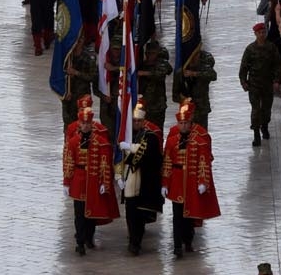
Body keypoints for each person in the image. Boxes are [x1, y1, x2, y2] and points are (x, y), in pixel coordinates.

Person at [161, 99, 220, 258]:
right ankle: (177, 246)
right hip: (177, 182)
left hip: (191, 181)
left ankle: (188, 240)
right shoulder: (172, 140)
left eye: (186, 123)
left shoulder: (200, 139)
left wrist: (203, 182)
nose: (183, 126)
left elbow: (204, 161)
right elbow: (167, 161)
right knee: (177, 215)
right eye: (181, 123)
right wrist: (165, 183)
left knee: (189, 214)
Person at [62, 95, 119, 254]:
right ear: (79, 123)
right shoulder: (73, 142)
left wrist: (104, 182)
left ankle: (89, 237)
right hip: (78, 180)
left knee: (92, 212)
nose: (86, 126)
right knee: (79, 213)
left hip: (93, 180)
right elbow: (68, 161)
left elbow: (105, 163)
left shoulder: (100, 141)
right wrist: (67, 181)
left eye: (88, 123)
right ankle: (80, 242)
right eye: (83, 123)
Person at [118, 100, 164, 255]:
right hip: (129, 179)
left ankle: (136, 242)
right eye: (134, 120)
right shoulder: (127, 135)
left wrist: (129, 147)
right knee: (130, 214)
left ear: (144, 121)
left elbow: (146, 152)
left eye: (139, 121)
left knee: (139, 215)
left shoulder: (149, 136)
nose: (136, 123)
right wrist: (119, 175)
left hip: (143, 182)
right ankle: (133, 240)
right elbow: (120, 157)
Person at [239, 20, 281, 144]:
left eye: (264, 32)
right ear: (255, 34)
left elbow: (278, 65)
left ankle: (265, 126)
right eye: (260, 32)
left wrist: (277, 80)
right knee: (256, 109)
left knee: (266, 109)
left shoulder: (271, 47)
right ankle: (256, 133)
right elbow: (243, 67)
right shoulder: (250, 49)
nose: (262, 34)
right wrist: (243, 82)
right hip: (254, 84)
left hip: (268, 83)